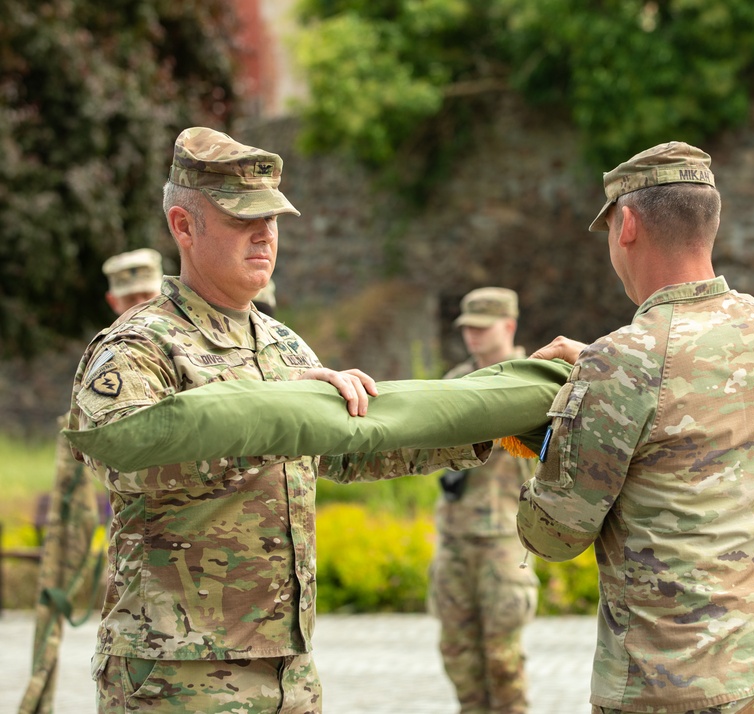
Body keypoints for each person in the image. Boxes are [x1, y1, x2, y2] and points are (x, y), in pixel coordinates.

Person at [66, 127, 488, 713]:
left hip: (287, 670)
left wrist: (493, 417)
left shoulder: (282, 345)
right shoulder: (140, 346)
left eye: (273, 218)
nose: (265, 233)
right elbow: (133, 456)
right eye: (243, 218)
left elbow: (354, 445)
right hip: (178, 673)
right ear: (184, 227)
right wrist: (276, 402)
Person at [517, 142, 754, 714]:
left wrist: (542, 439)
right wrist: (601, 371)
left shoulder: (623, 361)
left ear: (626, 225)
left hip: (676, 686)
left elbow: (554, 536)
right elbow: (699, 383)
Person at [19, 247, 164, 714]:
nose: (138, 304)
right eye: (129, 298)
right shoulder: (108, 359)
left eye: (147, 293)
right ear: (112, 301)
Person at [428, 287, 539, 714]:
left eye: (481, 328)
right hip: (455, 535)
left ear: (508, 326)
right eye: (466, 329)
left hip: (504, 537)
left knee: (501, 656)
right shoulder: (455, 382)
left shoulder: (531, 380)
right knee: (457, 653)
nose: (471, 337)